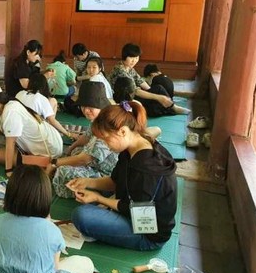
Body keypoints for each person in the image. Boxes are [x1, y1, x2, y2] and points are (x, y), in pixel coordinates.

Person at [67, 101, 178, 251]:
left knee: (81, 216)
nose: (106, 145)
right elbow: (116, 181)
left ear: (123, 131)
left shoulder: (145, 168)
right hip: (133, 208)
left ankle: (104, 224)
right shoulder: (133, 148)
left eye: (106, 139)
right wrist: (87, 182)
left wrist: (98, 198)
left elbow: (133, 208)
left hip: (148, 233)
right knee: (88, 194)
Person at [0, 81, 65, 176]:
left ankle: (47, 162)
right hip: (36, 147)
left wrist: (9, 171)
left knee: (0, 155)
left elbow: (10, 143)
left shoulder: (11, 110)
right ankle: (39, 162)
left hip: (51, 148)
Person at [51, 81, 118, 198]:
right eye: (83, 106)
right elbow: (86, 137)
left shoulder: (107, 127)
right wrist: (69, 149)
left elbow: (85, 159)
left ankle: (97, 193)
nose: (86, 110)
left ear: (101, 106)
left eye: (90, 107)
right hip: (95, 162)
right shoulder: (98, 119)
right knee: (74, 152)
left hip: (107, 174)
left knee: (63, 171)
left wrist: (55, 163)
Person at [107, 43, 188, 115]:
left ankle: (171, 107)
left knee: (158, 89)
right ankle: (172, 108)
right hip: (123, 99)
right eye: (131, 57)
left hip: (132, 95)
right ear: (124, 56)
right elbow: (135, 91)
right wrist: (158, 97)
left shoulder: (129, 68)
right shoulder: (120, 70)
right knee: (156, 101)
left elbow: (140, 81)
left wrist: (154, 91)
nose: (134, 61)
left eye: (136, 58)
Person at [16, 74, 77, 139]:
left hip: (19, 130)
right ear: (44, 85)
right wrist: (69, 134)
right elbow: (52, 120)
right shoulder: (40, 98)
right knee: (53, 101)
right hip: (34, 132)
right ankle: (50, 130)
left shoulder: (19, 94)